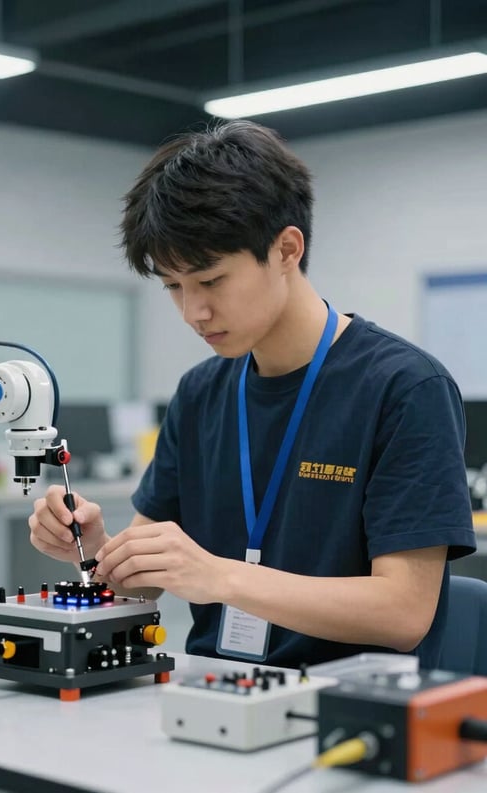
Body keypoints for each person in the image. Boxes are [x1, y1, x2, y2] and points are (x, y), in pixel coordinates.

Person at [28, 119, 476, 669]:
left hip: (351, 711)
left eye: (211, 281)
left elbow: (404, 613)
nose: (194, 312)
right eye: (173, 286)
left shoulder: (404, 388)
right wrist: (97, 551)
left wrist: (222, 576)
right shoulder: (200, 393)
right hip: (211, 691)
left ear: (287, 249)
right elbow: (141, 592)